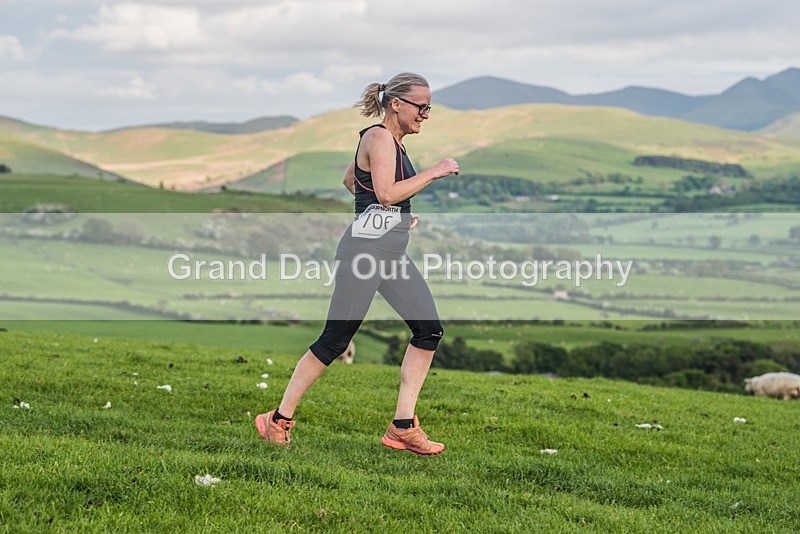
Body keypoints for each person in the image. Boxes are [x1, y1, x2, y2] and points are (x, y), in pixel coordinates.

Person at [255, 72, 459, 455]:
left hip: (389, 254)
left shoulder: (388, 142)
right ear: (396, 103)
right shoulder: (379, 137)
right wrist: (435, 171)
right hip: (365, 256)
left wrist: (395, 217)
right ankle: (276, 421)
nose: (426, 115)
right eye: (422, 107)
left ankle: (402, 427)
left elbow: (352, 180)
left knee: (429, 331)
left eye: (428, 108)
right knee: (335, 341)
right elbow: (383, 192)